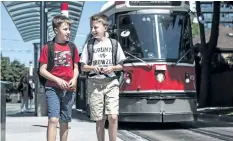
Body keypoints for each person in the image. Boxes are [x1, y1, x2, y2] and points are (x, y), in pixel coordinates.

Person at [80, 14, 126, 141]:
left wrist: (112, 68)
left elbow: (121, 66)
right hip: (94, 84)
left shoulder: (114, 44)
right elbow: (83, 67)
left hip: (111, 83)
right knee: (99, 119)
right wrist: (92, 68)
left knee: (113, 116)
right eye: (91, 28)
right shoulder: (89, 45)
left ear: (105, 27)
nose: (93, 30)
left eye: (96, 27)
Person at [39, 15, 80, 141]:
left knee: (64, 121)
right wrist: (57, 80)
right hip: (52, 88)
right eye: (65, 29)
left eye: (69, 29)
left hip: (69, 89)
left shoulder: (73, 47)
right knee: (53, 119)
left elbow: (76, 68)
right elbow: (42, 70)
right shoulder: (48, 47)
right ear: (56, 30)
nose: (68, 32)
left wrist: (74, 79)